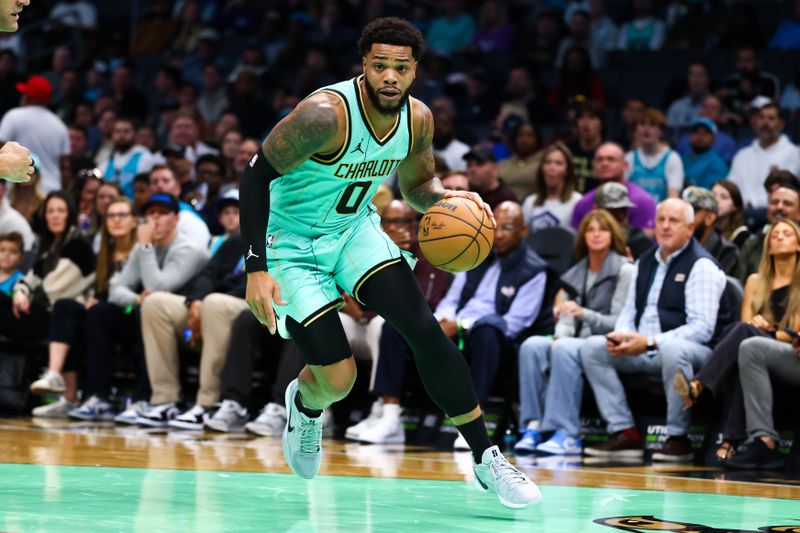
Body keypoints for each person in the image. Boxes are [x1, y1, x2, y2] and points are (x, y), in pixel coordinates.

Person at [240, 17, 541, 508]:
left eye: (400, 68)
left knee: (422, 327)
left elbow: (417, 188)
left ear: (415, 71)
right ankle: (306, 403)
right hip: (289, 243)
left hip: (354, 230)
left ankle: (487, 458)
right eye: (380, 66)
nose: (389, 77)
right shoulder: (323, 114)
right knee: (338, 380)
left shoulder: (418, 119)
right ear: (364, 65)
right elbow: (253, 179)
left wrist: (452, 202)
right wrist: (257, 268)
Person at [581, 199, 729, 462]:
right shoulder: (645, 261)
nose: (665, 226)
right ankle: (624, 432)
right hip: (640, 347)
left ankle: (678, 439)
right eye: (661, 220)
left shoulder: (702, 265)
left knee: (674, 350)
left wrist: (649, 342)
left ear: (690, 228)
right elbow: (629, 311)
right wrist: (623, 337)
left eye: (674, 221)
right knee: (593, 347)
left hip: (694, 354)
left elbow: (702, 329)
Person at [67, 193, 209, 422]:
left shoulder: (189, 248)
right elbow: (116, 288)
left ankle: (145, 398)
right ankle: (98, 396)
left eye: (163, 214)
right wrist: (136, 299)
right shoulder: (146, 246)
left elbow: (159, 287)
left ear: (176, 219)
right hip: (150, 312)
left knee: (147, 312)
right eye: (151, 214)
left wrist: (144, 247)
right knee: (99, 314)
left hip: (186, 321)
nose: (156, 220)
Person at [672, 219, 800, 467]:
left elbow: (794, 334)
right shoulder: (755, 281)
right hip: (752, 346)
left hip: (787, 351)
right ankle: (737, 440)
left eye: (787, 234)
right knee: (742, 341)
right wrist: (756, 326)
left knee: (744, 340)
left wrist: (768, 329)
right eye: (775, 235)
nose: (780, 238)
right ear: (768, 246)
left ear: (798, 245)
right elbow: (745, 323)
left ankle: (699, 387)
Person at [515, 209, 633, 455]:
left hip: (603, 340)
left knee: (566, 348)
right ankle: (533, 425)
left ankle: (566, 432)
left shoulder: (625, 270)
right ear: (582, 236)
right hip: (575, 339)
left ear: (613, 235)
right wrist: (561, 334)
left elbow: (620, 322)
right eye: (590, 229)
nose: (596, 234)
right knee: (533, 345)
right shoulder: (575, 272)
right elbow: (566, 316)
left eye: (602, 229)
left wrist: (583, 314)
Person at [29, 198, 136, 417]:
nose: (116, 221)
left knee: (96, 316)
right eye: (111, 216)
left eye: (122, 215)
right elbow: (96, 289)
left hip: (131, 312)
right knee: (66, 307)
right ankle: (60, 384)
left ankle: (99, 396)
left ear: (134, 221)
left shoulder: (141, 250)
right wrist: (91, 298)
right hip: (104, 311)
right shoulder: (102, 255)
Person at [727, 100, 800, 211]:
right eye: (761, 117)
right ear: (755, 122)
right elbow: (730, 189)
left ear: (781, 124)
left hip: (780, 215)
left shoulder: (795, 154)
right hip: (743, 215)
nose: (765, 123)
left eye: (771, 118)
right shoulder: (742, 155)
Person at [571, 142, 656, 234]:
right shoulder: (583, 203)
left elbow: (645, 244)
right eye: (599, 160)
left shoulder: (643, 202)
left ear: (625, 165)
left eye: (611, 159)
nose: (604, 163)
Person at [0, 76, 68, 191]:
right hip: (50, 190)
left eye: (25, 94)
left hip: (18, 190)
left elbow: (1, 148)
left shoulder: (14, 116)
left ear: (29, 97)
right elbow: (64, 164)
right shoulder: (60, 126)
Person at [626, 108, 684, 203]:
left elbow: (673, 198)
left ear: (661, 131)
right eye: (642, 124)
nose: (646, 129)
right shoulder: (629, 158)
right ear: (636, 129)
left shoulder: (672, 158)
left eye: (652, 125)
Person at [521, 142, 582, 230]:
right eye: (548, 162)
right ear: (541, 168)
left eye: (558, 163)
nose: (552, 168)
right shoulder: (530, 202)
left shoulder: (577, 202)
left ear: (568, 170)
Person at [682, 187, 739, 276]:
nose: (685, 218)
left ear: (709, 218)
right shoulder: (677, 245)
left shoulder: (726, 252)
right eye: (682, 212)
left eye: (691, 212)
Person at [594, 181, 654, 259]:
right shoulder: (589, 240)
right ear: (596, 210)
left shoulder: (639, 243)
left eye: (623, 210)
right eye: (613, 212)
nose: (621, 216)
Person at [463, 144, 518, 208]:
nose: (473, 169)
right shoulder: (465, 192)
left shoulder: (506, 199)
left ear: (494, 168)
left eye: (479, 164)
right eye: (469, 164)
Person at [681, 118, 729, 190]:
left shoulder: (717, 164)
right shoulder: (683, 157)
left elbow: (707, 195)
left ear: (714, 138)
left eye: (705, 133)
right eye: (696, 132)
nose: (700, 137)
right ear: (690, 135)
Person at [713, 180, 751, 249]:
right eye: (713, 195)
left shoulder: (741, 235)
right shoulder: (702, 227)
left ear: (735, 206)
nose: (716, 200)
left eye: (724, 197)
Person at [0, 231, 24, 295]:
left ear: (20, 258)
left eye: (13, 252)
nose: (6, 255)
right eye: (2, 250)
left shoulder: (20, 280)